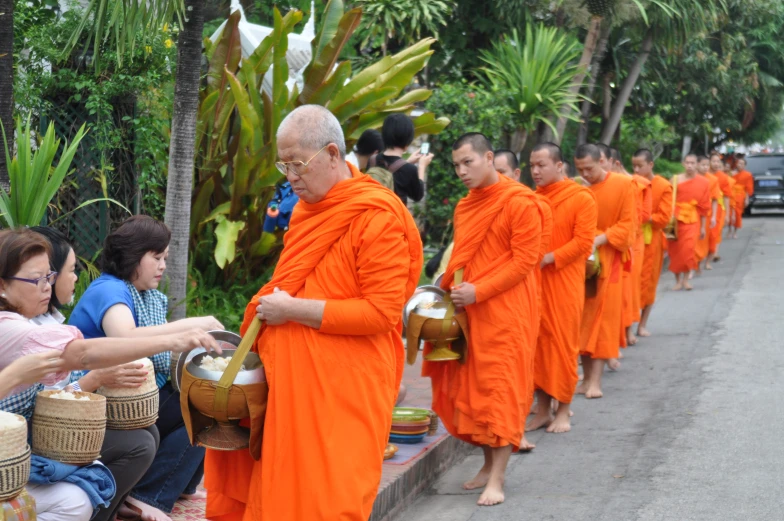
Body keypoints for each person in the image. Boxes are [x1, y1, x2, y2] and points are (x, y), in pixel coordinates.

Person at [204, 105, 423, 520]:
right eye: (283, 165)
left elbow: (380, 312)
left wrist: (291, 310)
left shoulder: (376, 216)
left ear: (333, 154)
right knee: (279, 498)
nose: (290, 177)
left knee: (329, 502)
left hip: (341, 391)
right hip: (288, 385)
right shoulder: (308, 210)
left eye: (298, 164)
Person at [0, 229, 219, 521]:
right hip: (23, 444)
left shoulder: (28, 320)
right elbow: (82, 354)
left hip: (32, 434)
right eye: (37, 279)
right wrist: (175, 340)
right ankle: (146, 498)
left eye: (49, 277)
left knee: (84, 493)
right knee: (140, 443)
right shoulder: (13, 327)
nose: (47, 287)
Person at [69, 216, 224, 521]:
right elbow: (125, 337)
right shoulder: (109, 290)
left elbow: (154, 336)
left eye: (165, 257)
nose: (162, 265)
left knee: (207, 397)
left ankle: (168, 488)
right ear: (132, 255)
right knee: (200, 406)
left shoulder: (142, 295)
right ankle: (149, 496)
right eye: (156, 257)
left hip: (129, 395)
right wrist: (191, 325)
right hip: (99, 398)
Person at [425, 132, 542, 506]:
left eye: (467, 162)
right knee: (474, 391)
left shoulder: (521, 202)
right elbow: (462, 256)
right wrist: (450, 290)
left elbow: (524, 261)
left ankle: (499, 478)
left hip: (507, 310)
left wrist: (480, 290)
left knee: (502, 388)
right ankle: (486, 464)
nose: (461, 171)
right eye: (456, 165)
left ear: (489, 157)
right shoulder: (465, 206)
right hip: (470, 310)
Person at [527, 143, 596, 434]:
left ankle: (564, 410)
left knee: (564, 346)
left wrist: (549, 258)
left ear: (559, 166)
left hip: (564, 282)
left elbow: (583, 242)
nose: (535, 171)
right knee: (538, 347)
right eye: (532, 166)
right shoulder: (532, 199)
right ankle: (543, 410)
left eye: (541, 165)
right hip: (536, 283)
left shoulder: (581, 197)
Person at [493, 147, 553, 451]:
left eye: (502, 173)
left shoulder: (528, 205)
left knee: (517, 365)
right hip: (488, 301)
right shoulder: (478, 204)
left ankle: (520, 427)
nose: (497, 178)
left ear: (516, 175)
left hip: (521, 293)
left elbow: (532, 257)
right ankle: (507, 430)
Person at [574, 144, 635, 399]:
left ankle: (595, 382)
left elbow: (629, 226)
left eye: (589, 168)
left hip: (609, 260)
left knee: (604, 322)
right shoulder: (576, 187)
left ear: (602, 160)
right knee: (582, 322)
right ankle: (586, 378)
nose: (585, 174)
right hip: (581, 262)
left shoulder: (623, 185)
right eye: (580, 169)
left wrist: (600, 239)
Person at [632, 150, 673, 338]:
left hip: (652, 239)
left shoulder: (663, 186)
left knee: (649, 283)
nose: (636, 169)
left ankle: (642, 324)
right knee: (630, 283)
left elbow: (664, 218)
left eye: (640, 165)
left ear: (651, 165)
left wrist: (646, 217)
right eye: (634, 165)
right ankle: (626, 329)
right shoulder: (631, 183)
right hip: (632, 238)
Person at [668, 155, 711, 291]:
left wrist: (703, 227)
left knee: (688, 249)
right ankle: (678, 280)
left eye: (693, 163)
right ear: (683, 164)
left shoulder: (704, 182)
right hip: (674, 220)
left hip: (692, 220)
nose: (690, 166)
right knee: (674, 251)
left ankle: (686, 280)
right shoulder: (675, 180)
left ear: (697, 164)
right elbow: (667, 200)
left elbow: (704, 207)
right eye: (687, 163)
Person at [374, 113, 433, 204]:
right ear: (408, 140)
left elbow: (391, 171)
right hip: (394, 216)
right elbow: (418, 195)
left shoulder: (373, 160)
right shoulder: (410, 170)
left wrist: (407, 161)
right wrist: (422, 167)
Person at [695, 156, 721, 274]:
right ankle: (695, 265)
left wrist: (714, 216)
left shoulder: (713, 180)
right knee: (694, 241)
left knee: (708, 239)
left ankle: (705, 262)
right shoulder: (691, 178)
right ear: (697, 165)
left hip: (708, 214)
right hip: (693, 214)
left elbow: (715, 199)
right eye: (703, 165)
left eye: (706, 165)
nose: (705, 167)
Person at [709, 153, 734, 263]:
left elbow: (727, 197)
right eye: (713, 161)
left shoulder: (723, 177)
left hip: (719, 206)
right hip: (706, 206)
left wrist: (728, 214)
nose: (715, 164)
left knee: (717, 230)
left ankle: (715, 252)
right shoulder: (703, 175)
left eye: (717, 162)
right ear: (709, 162)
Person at [731, 157, 754, 238]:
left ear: (744, 166)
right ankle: (730, 229)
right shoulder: (732, 173)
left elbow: (748, 188)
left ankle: (735, 231)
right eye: (738, 163)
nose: (740, 165)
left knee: (737, 214)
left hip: (740, 196)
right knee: (730, 213)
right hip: (731, 195)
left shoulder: (747, 175)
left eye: (742, 164)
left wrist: (747, 199)